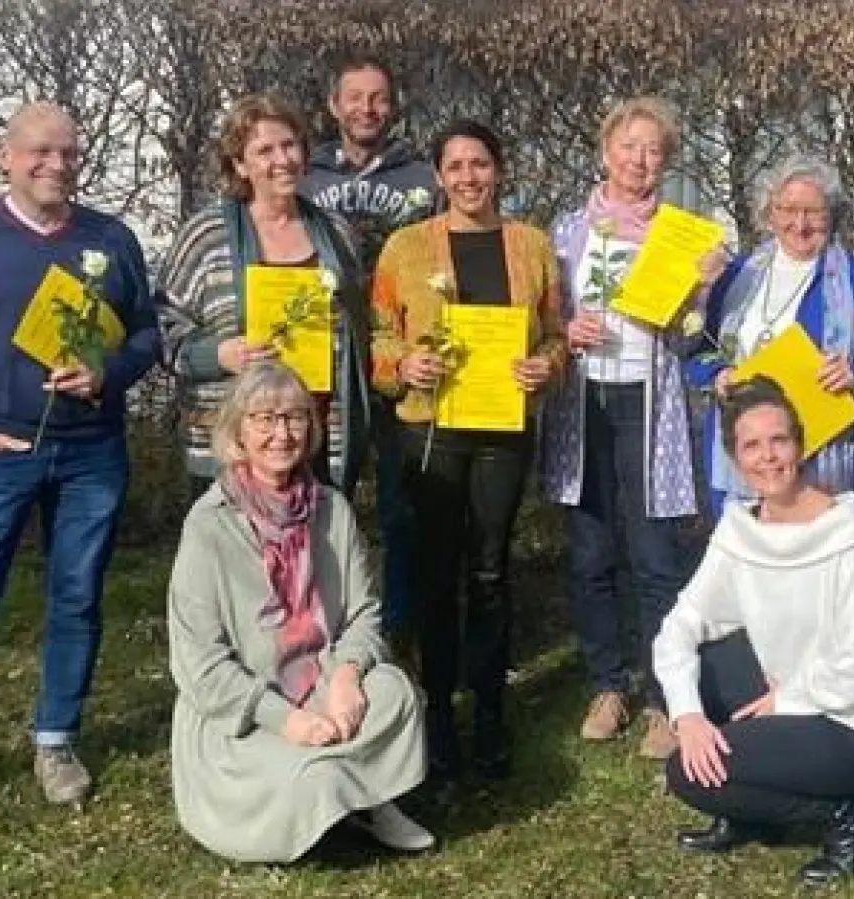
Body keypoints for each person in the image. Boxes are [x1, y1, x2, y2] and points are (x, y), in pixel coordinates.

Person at [0, 102, 161, 828]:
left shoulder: (111, 239)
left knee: (76, 597)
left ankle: (57, 740)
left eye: (69, 153)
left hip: (91, 453)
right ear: (5, 156)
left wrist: (106, 373)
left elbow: (146, 335)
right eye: (40, 151)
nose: (57, 164)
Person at [652, 376, 854, 888]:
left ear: (801, 446)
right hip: (788, 697)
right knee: (690, 668)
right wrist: (689, 716)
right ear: (734, 459)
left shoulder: (845, 535)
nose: (767, 457)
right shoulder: (740, 531)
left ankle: (847, 815)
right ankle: (747, 810)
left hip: (853, 721)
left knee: (686, 774)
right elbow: (677, 628)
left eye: (779, 440)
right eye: (751, 445)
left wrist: (788, 698)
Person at [167, 362, 432, 863]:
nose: (281, 434)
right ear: (238, 432)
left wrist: (347, 676)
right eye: (264, 419)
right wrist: (286, 720)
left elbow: (363, 614)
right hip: (245, 713)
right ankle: (349, 788)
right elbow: (200, 666)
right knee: (302, 778)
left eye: (294, 418)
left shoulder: (332, 509)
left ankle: (357, 796)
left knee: (395, 695)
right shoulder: (208, 527)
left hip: (321, 682)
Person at [369, 119, 566, 783]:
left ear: (499, 170)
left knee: (489, 571)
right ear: (438, 176)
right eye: (454, 166)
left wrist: (546, 365)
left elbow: (555, 334)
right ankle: (436, 712)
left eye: (479, 163)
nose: (468, 177)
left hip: (503, 431)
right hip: (430, 428)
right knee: (435, 572)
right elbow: (378, 337)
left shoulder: (532, 246)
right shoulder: (405, 248)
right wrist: (404, 365)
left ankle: (488, 709)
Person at [539, 96, 724, 758]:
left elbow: (697, 335)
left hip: (651, 402)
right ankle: (607, 684)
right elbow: (543, 315)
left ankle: (663, 698)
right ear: (605, 153)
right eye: (629, 146)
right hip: (584, 400)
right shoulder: (567, 231)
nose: (640, 160)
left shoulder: (684, 236)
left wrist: (704, 289)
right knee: (591, 551)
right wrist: (567, 330)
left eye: (653, 150)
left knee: (655, 555)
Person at [159, 93, 374, 499]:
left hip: (319, 439)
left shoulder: (337, 234)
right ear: (240, 164)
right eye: (265, 150)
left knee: (319, 541)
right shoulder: (206, 236)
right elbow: (162, 327)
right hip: (234, 439)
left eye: (290, 145)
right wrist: (217, 355)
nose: (282, 159)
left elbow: (360, 328)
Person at [301, 54, 441, 635]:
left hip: (399, 360)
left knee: (402, 506)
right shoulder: (304, 178)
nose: (367, 109)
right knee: (320, 499)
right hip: (324, 363)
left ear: (394, 107)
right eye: (355, 97)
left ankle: (400, 628)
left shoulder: (425, 180)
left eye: (379, 98)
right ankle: (321, 624)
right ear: (333, 105)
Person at [687, 154, 854, 513]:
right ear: (769, 215)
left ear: (831, 215)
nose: (801, 224)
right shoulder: (738, 274)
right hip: (744, 451)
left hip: (825, 454)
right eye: (788, 210)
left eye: (814, 212)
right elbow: (700, 348)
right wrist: (717, 374)